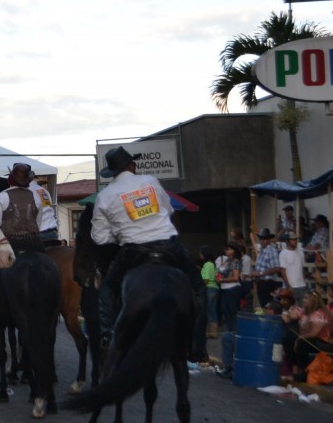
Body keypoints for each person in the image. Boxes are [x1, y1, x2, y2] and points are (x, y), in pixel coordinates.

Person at [89, 146, 205, 357]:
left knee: (106, 289)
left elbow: (99, 238)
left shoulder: (105, 195)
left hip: (133, 252)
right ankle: (197, 345)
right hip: (169, 246)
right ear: (131, 166)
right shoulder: (150, 181)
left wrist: (119, 232)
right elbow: (168, 210)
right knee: (198, 287)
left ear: (113, 172)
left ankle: (107, 336)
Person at [282, 290, 333, 381]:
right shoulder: (306, 312)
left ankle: (304, 371)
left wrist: (299, 338)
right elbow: (293, 314)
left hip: (323, 342)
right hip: (309, 339)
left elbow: (314, 334)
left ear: (313, 301)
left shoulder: (319, 314)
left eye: (306, 298)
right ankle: (295, 369)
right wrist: (285, 314)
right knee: (288, 339)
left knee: (302, 343)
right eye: (304, 298)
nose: (304, 300)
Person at [0, 162, 46, 251]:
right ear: (28, 180)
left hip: (10, 246)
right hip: (34, 244)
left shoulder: (1, 197)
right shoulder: (36, 197)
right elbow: (38, 224)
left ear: (11, 179)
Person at [215, 242, 243, 334]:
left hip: (232, 288)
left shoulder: (235, 261)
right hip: (224, 288)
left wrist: (222, 280)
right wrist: (218, 277)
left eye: (228, 249)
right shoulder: (226, 261)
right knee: (224, 309)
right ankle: (230, 328)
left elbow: (235, 277)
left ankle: (234, 329)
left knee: (232, 309)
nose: (226, 250)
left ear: (233, 250)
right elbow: (220, 272)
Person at [252, 227, 282, 307]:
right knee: (263, 306)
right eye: (261, 238)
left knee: (268, 307)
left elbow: (276, 268)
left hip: (268, 284)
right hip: (260, 283)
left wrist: (261, 273)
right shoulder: (261, 250)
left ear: (269, 239)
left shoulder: (271, 251)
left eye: (265, 238)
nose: (263, 240)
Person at [278, 232, 307, 304]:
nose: (295, 241)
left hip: (301, 285)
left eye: (296, 239)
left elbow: (302, 268)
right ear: (287, 241)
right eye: (292, 239)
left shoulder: (301, 252)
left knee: (302, 308)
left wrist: (304, 280)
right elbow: (282, 271)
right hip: (291, 286)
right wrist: (288, 286)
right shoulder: (283, 253)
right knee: (291, 308)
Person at [200, 245, 219, 341]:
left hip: (209, 288)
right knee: (212, 310)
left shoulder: (207, 265)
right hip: (215, 288)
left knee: (207, 310)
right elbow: (217, 277)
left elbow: (206, 280)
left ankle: (208, 332)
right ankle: (214, 332)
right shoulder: (213, 264)